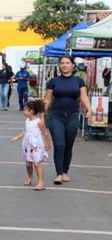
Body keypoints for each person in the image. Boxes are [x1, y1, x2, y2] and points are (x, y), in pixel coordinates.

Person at [44, 56, 92, 185]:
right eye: (62, 63)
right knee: (59, 145)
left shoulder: (79, 81)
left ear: (72, 65)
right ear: (60, 66)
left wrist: (89, 110)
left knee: (68, 145)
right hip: (56, 116)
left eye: (67, 63)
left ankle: (65, 172)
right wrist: (42, 112)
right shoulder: (53, 81)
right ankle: (59, 174)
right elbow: (48, 99)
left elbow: (83, 96)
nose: (64, 65)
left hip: (72, 116)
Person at [11, 99, 51, 191]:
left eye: (25, 110)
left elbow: (45, 133)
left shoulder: (39, 122)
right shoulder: (27, 121)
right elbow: (26, 131)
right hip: (28, 144)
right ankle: (30, 177)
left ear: (31, 111)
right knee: (28, 163)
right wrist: (17, 137)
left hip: (36, 145)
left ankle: (40, 182)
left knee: (37, 163)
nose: (24, 111)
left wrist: (48, 144)